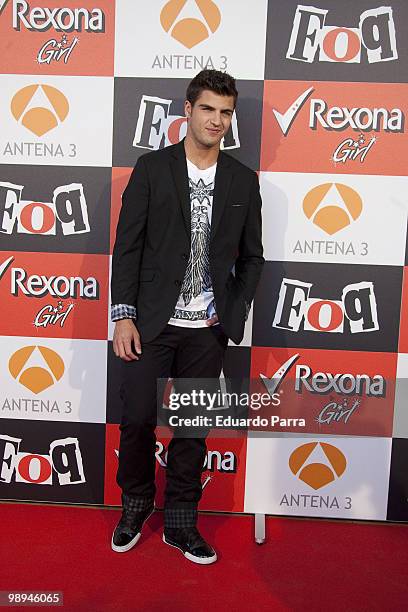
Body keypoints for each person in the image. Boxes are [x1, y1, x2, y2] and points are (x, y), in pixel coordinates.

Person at [110, 69, 264, 564]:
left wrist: (232, 311)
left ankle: (180, 521)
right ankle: (135, 505)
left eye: (225, 113)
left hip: (208, 330)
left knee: (192, 429)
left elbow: (253, 257)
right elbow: (128, 246)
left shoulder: (242, 179)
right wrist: (124, 315)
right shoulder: (153, 168)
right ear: (188, 110)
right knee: (136, 421)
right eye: (207, 109)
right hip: (150, 323)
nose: (216, 120)